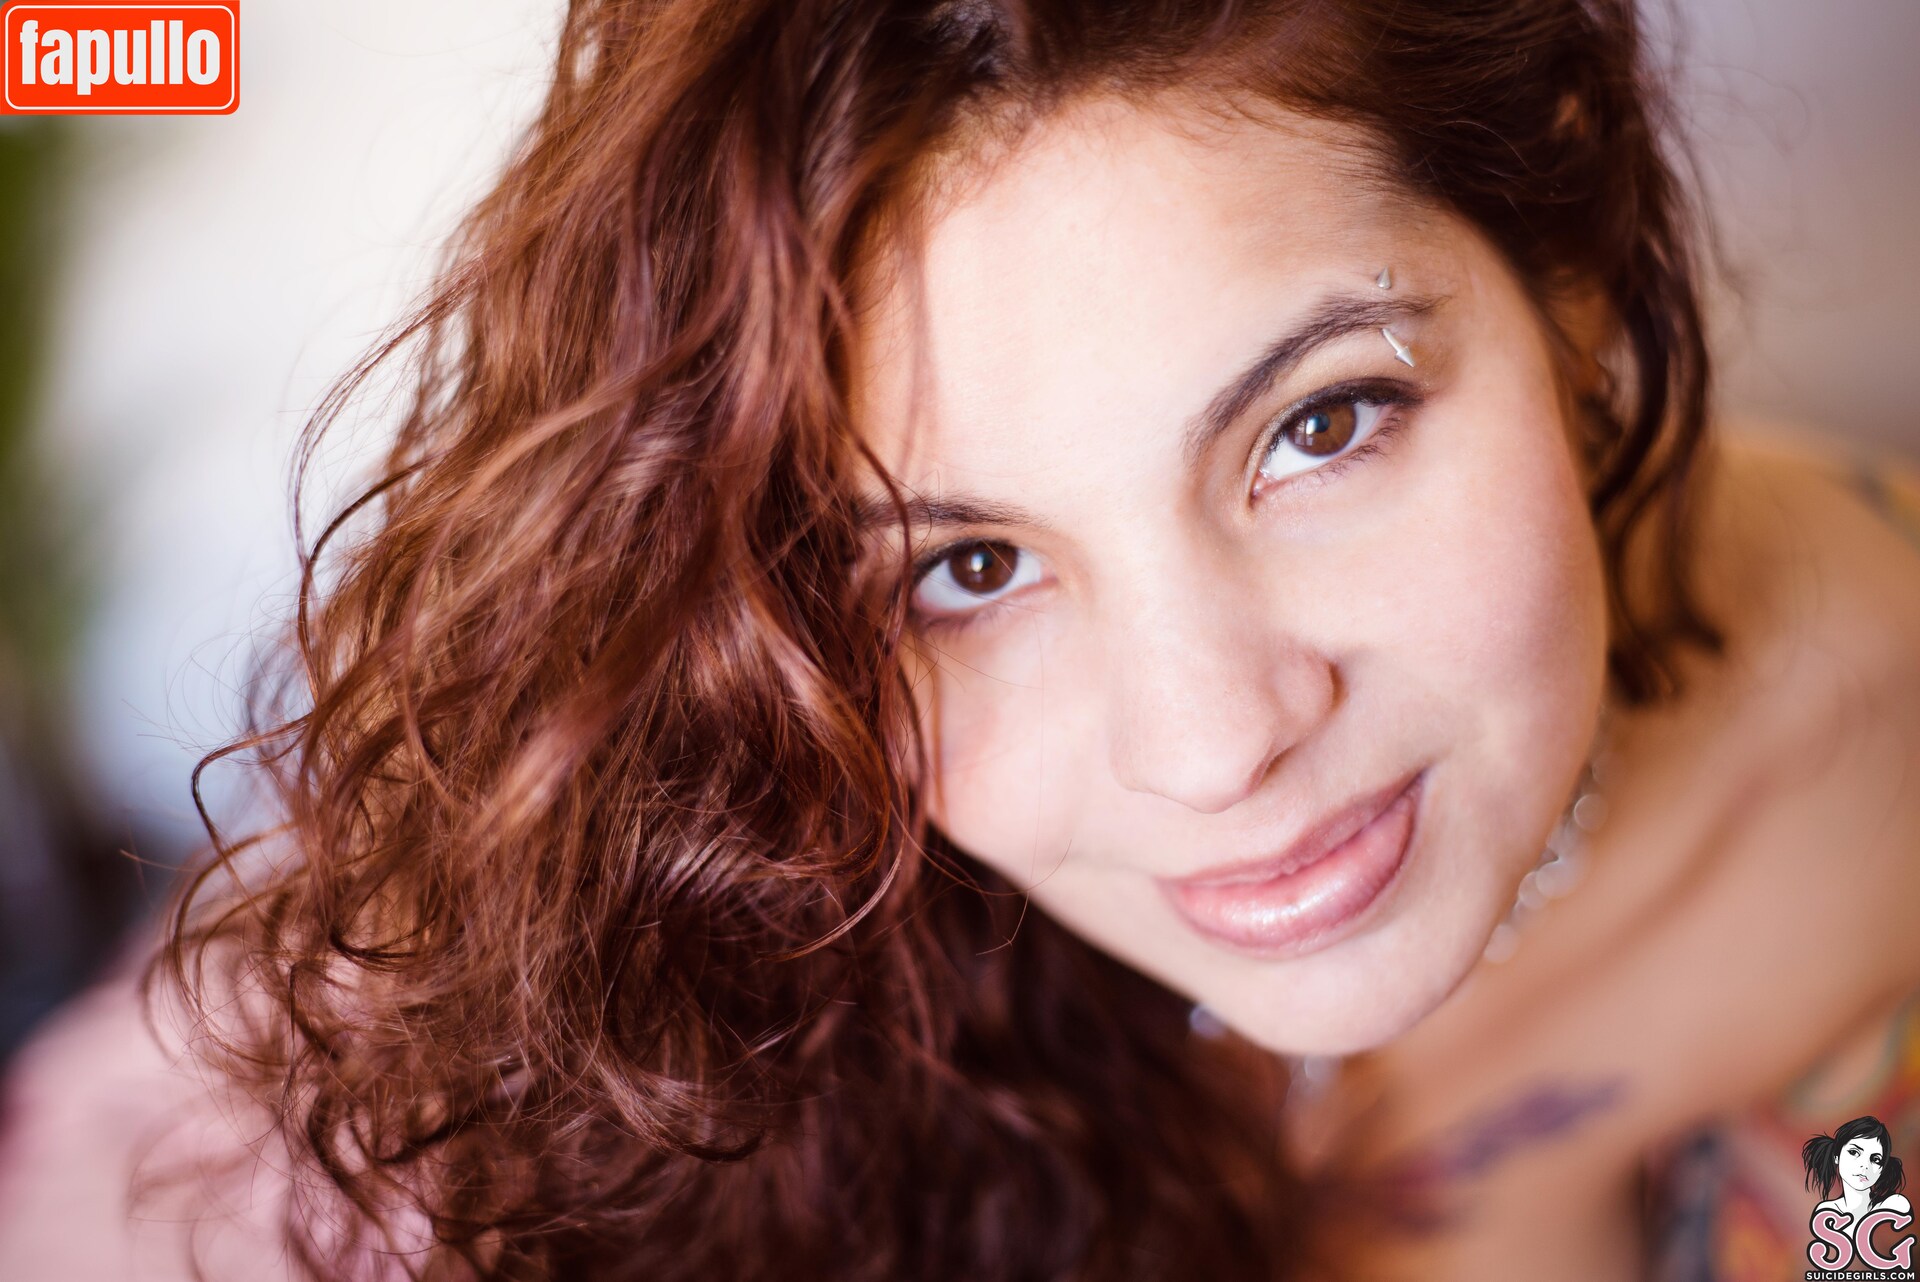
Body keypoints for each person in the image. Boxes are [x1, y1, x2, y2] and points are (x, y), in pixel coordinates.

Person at [2, 1, 1919, 1279]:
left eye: (1322, 424)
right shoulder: (655, 922)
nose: (1211, 744)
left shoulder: (1878, 781)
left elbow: (1862, 1203)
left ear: (1571, 281)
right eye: (968, 568)